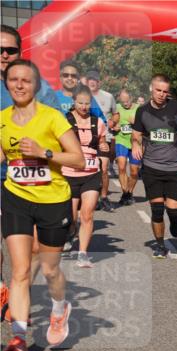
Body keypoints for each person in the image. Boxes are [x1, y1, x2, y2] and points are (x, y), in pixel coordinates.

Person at [1, 59, 85, 351]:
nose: (19, 85)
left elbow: (78, 161)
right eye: (13, 80)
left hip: (53, 200)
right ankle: (19, 340)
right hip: (15, 197)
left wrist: (43, 153)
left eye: (26, 80)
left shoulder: (53, 119)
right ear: (7, 83)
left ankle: (59, 307)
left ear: (36, 85)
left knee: (49, 269)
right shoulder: (2, 119)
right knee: (20, 270)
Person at [131, 74, 177, 258]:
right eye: (158, 90)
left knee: (173, 210)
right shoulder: (142, 111)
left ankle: (174, 220)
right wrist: (135, 144)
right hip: (151, 167)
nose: (161, 94)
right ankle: (160, 245)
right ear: (151, 88)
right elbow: (136, 133)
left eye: (165, 91)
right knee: (157, 210)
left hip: (174, 167)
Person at [62, 84, 110, 268]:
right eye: (80, 103)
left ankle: (83, 254)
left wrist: (103, 147)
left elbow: (102, 143)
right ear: (73, 102)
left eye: (87, 103)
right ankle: (70, 233)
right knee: (71, 218)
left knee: (87, 215)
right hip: (69, 173)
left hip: (91, 173)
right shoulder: (64, 121)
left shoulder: (96, 122)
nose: (84, 107)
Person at [85, 70, 115, 212]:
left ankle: (104, 198)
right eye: (90, 79)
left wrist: (113, 122)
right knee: (90, 169)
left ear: (99, 82)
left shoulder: (108, 97)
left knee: (103, 168)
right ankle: (91, 198)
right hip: (86, 138)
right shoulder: (81, 95)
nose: (92, 81)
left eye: (95, 79)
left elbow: (116, 114)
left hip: (104, 136)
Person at [111, 89, 140, 207]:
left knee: (134, 171)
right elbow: (110, 122)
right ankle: (125, 193)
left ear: (131, 98)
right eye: (123, 102)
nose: (125, 104)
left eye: (127, 101)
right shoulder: (116, 108)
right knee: (121, 167)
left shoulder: (139, 108)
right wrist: (114, 126)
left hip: (136, 142)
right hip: (121, 140)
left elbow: (146, 124)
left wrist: (137, 122)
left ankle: (130, 192)